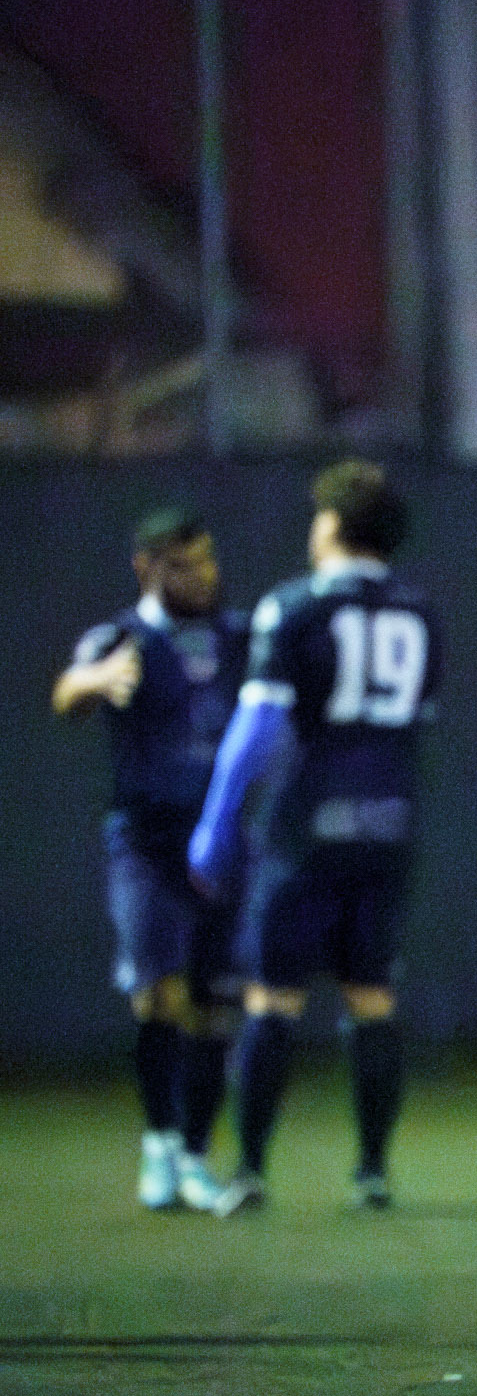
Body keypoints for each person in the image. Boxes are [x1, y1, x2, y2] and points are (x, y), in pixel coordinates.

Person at [188, 460, 443, 1215]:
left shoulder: (293, 607)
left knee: (272, 999)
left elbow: (259, 725)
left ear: (330, 525)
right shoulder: (420, 612)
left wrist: (215, 820)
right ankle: (370, 1173)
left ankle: (253, 1170)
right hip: (389, 821)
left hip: (306, 825)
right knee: (371, 998)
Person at [52, 509, 249, 1210]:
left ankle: (194, 1156)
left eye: (207, 561)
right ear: (146, 569)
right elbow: (66, 693)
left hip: (221, 841)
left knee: (216, 1006)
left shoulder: (238, 636)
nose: (201, 577)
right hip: (146, 841)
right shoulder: (121, 639)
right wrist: (94, 680)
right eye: (183, 566)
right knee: (157, 995)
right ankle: (162, 1144)